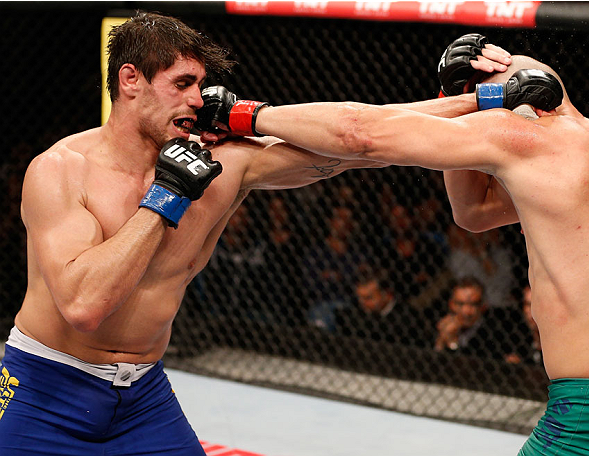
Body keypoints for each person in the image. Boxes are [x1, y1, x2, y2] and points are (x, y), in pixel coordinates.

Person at [202, 33, 589, 455]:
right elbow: (473, 214)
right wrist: (456, 95)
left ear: (508, 100)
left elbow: (359, 133)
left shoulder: (520, 134)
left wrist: (247, 114)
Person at [0, 11, 396, 455]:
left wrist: (466, 102)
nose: (198, 99)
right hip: (45, 393)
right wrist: (166, 197)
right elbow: (84, 305)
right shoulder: (61, 169)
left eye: (201, 85)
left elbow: (362, 143)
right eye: (183, 83)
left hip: (143, 398)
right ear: (131, 79)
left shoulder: (215, 164)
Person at [434, 276, 508, 358]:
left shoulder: (493, 333)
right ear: (451, 305)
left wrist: (452, 342)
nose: (467, 311)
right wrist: (440, 341)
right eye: (460, 304)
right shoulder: (439, 323)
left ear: (483, 306)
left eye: (473, 304)